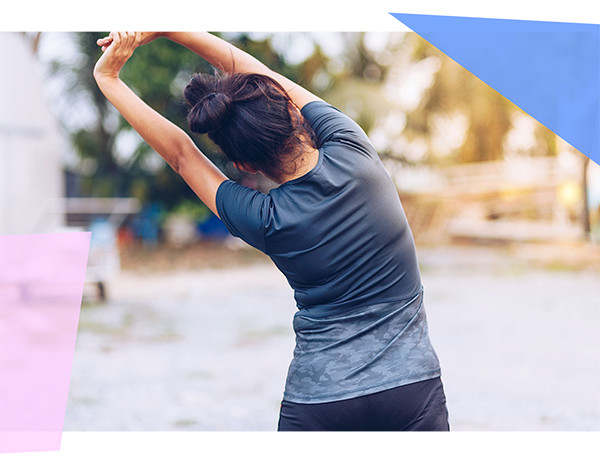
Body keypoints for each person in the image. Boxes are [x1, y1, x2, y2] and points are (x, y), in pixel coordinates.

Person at [93, 31, 450, 432]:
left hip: (320, 398)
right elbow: (251, 68)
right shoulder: (353, 149)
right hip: (411, 387)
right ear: (292, 110)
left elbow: (181, 156)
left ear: (244, 165)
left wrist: (109, 80)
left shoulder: (264, 218)